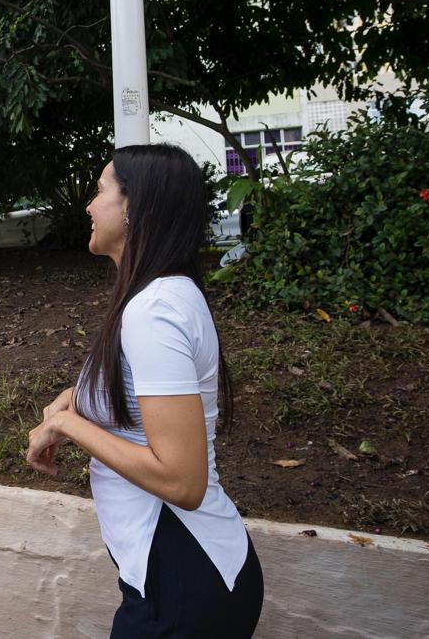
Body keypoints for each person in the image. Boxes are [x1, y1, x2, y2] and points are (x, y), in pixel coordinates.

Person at [27, 144, 263, 637]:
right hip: (173, 576)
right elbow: (139, 395)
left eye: (99, 191)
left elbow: (182, 482)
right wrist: (78, 398)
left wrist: (65, 423)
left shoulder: (153, 309)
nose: (89, 207)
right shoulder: (162, 294)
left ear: (133, 207)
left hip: (184, 576)